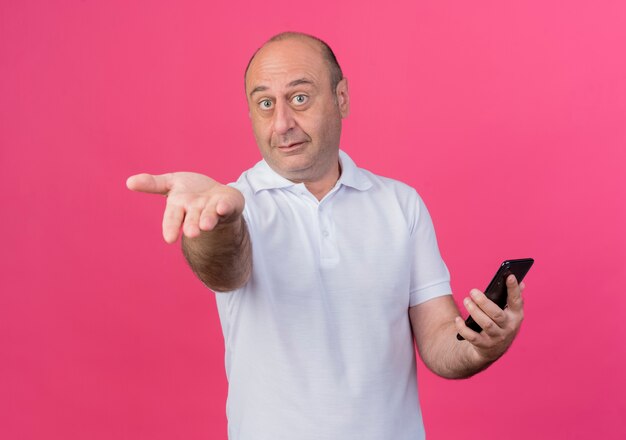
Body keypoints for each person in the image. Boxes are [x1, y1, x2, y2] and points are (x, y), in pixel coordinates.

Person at [126, 32, 526, 440]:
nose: (282, 123)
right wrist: (215, 222)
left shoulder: (400, 205)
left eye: (299, 98)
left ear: (341, 98)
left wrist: (480, 346)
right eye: (265, 104)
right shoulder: (234, 205)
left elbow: (442, 341)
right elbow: (224, 268)